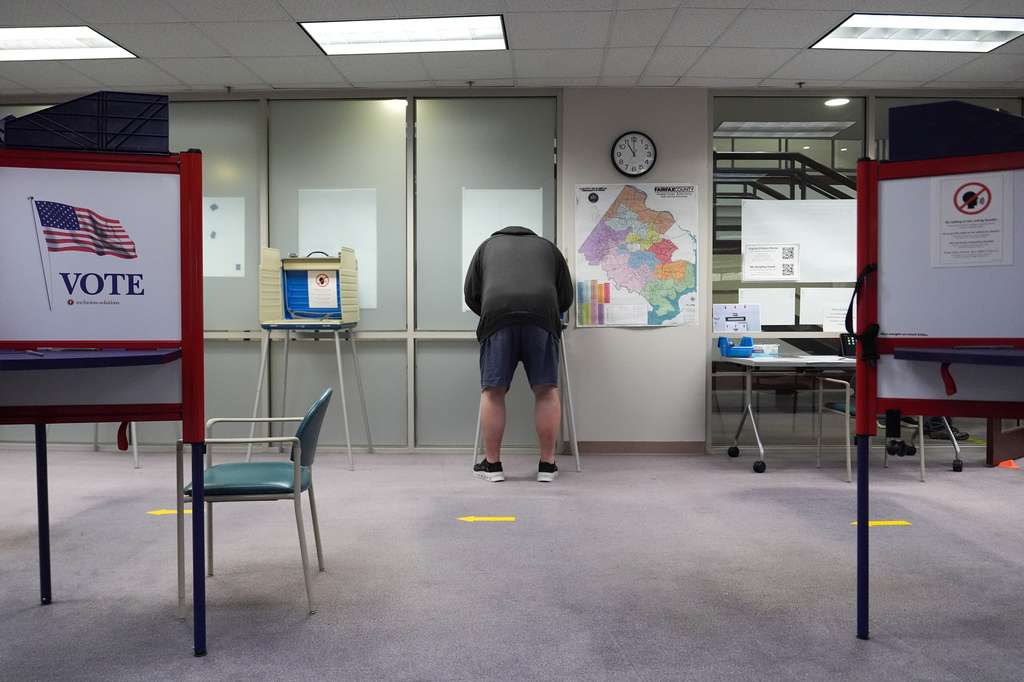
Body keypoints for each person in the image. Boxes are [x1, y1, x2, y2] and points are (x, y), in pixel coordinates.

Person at [463, 225, 574, 482]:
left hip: (498, 316)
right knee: (546, 389)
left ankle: (493, 466)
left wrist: (495, 311)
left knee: (493, 391)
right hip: (541, 317)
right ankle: (547, 466)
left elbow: (471, 294)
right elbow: (565, 296)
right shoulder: (549, 248)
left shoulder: (485, 248)